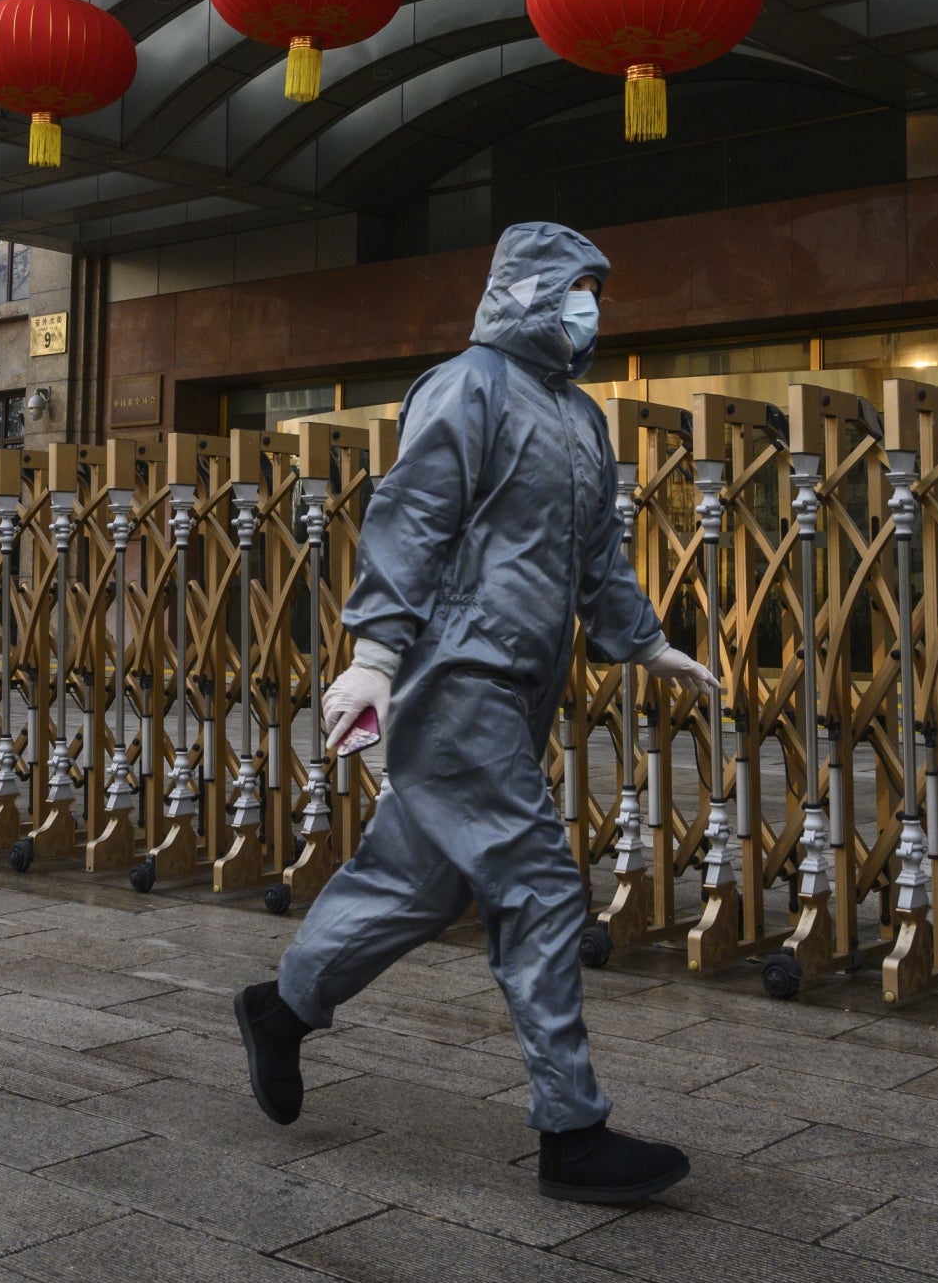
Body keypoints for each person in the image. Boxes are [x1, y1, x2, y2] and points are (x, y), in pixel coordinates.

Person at [234, 221, 714, 1205]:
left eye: (596, 290)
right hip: (458, 679)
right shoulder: (465, 385)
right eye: (577, 286)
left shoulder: (580, 415)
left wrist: (641, 638)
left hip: (517, 685)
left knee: (410, 885)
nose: (590, 305)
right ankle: (572, 1130)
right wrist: (372, 656)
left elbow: (594, 553)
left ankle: (281, 1010)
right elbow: (408, 517)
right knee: (538, 884)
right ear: (530, 292)